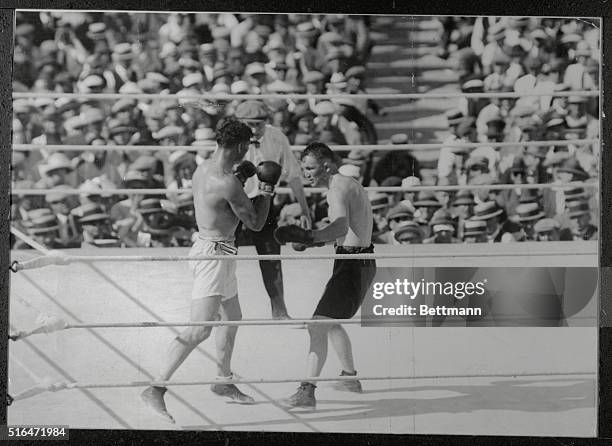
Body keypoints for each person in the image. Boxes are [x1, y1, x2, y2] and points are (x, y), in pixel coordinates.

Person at [141, 118, 281, 422]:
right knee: (200, 328)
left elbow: (222, 208)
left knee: (232, 319)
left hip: (219, 250)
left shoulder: (204, 168)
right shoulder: (227, 182)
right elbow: (256, 223)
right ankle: (156, 387)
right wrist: (267, 191)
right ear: (242, 146)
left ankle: (223, 381)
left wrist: (242, 183)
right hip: (214, 256)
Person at [273, 142, 376, 408]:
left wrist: (311, 237)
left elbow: (341, 225)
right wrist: (314, 241)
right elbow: (346, 231)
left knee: (317, 324)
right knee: (329, 322)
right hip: (355, 260)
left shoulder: (338, 188)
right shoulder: (343, 184)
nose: (306, 174)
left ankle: (306, 391)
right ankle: (349, 378)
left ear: (326, 166)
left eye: (310, 168)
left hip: (354, 264)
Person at [234, 100, 311, 319]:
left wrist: (305, 210)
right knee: (226, 256)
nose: (255, 129)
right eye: (250, 124)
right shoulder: (231, 139)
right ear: (241, 122)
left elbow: (294, 175)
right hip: (234, 203)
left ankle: (280, 311)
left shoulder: (276, 137)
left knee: (271, 255)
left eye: (260, 123)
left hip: (264, 202)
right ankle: (220, 312)